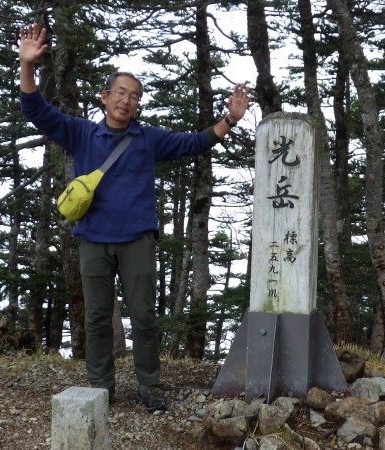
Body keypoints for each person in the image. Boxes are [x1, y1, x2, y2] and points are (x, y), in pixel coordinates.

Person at [17, 23, 252, 409]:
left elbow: (195, 142)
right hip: (93, 237)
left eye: (134, 96)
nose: (127, 100)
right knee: (96, 318)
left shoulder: (149, 138)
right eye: (121, 93)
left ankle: (150, 384)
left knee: (143, 316)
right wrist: (27, 66)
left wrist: (231, 119)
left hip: (137, 239)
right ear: (105, 97)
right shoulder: (81, 133)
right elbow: (35, 110)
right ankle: (101, 385)